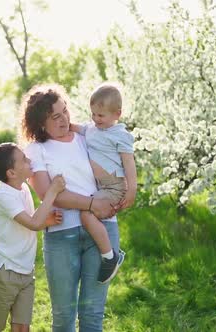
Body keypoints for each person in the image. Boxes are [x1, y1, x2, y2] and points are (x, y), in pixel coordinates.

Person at [21, 84, 121, 331]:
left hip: (102, 232)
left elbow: (117, 161)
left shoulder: (87, 137)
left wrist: (120, 194)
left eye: (65, 111)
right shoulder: (36, 149)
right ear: (40, 123)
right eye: (56, 116)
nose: (64, 118)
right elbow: (49, 194)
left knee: (92, 315)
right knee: (64, 317)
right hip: (62, 236)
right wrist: (91, 203)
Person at [0, 142, 65, 332]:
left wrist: (47, 220)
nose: (29, 160)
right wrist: (52, 191)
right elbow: (34, 224)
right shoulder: (4, 196)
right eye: (23, 159)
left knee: (22, 327)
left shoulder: (23, 189)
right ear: (11, 173)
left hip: (26, 271)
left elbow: (30, 220)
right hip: (4, 273)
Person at [70, 82, 137, 283]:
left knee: (86, 213)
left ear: (117, 114)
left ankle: (110, 257)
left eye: (101, 116)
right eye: (93, 114)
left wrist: (132, 189)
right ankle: (108, 250)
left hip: (114, 187)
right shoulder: (91, 129)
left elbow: (129, 163)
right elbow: (78, 128)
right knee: (88, 213)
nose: (96, 119)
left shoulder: (120, 135)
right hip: (101, 187)